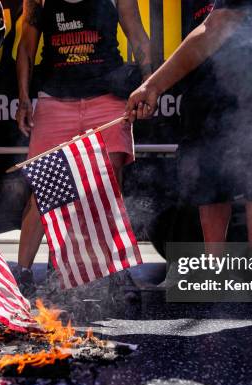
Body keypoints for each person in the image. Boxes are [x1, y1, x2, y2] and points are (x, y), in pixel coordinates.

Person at [127, 0, 252, 271]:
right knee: (208, 175)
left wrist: (153, 85)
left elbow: (217, 25)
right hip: (207, 85)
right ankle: (214, 269)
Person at [14, 0, 152, 293]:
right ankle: (22, 274)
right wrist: (24, 98)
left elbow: (137, 35)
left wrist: (149, 84)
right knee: (44, 191)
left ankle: (116, 272)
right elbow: (26, 48)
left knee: (108, 189)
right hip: (55, 100)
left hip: (107, 99)